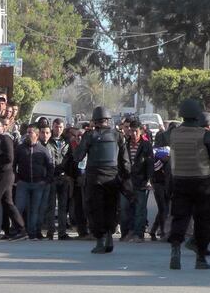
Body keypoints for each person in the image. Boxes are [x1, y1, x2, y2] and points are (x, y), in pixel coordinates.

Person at [168, 99, 210, 270]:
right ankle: (200, 258)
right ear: (197, 116)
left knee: (179, 218)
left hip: (179, 180)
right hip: (202, 182)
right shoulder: (204, 135)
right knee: (202, 221)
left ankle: (175, 251)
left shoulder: (173, 134)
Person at [73, 106, 131, 253]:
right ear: (108, 120)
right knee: (111, 208)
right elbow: (125, 161)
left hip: (94, 178)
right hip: (112, 177)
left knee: (95, 209)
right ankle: (109, 238)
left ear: (95, 121)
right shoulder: (118, 135)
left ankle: (100, 241)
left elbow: (78, 157)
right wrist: (126, 178)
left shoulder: (89, 135)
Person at [14, 124, 54, 240]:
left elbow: (50, 166)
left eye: (30, 132)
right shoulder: (20, 148)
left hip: (38, 184)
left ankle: (32, 233)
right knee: (19, 207)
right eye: (27, 132)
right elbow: (13, 164)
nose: (28, 134)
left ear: (36, 135)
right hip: (23, 183)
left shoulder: (43, 150)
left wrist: (46, 180)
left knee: (35, 210)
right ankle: (18, 230)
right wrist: (16, 179)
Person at [120, 120, 153, 242]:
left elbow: (150, 164)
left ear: (141, 131)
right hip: (126, 182)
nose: (133, 133)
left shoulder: (146, 145)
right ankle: (125, 233)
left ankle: (139, 234)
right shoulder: (125, 144)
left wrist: (149, 180)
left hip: (141, 181)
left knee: (140, 209)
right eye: (131, 130)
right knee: (124, 209)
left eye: (136, 131)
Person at [46, 118, 71, 240]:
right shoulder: (47, 140)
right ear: (53, 126)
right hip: (52, 177)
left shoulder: (67, 141)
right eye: (56, 127)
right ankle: (50, 232)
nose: (58, 129)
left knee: (63, 206)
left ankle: (62, 232)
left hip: (64, 177)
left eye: (61, 127)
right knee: (51, 206)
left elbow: (70, 158)